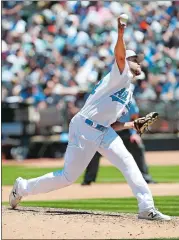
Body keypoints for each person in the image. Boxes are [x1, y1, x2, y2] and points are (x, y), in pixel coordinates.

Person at [9, 16, 171, 221]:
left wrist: (131, 124)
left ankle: (146, 208)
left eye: (137, 59)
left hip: (104, 130)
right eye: (134, 59)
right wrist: (120, 33)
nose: (137, 62)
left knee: (128, 163)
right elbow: (120, 56)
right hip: (84, 126)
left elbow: (113, 123)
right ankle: (22, 187)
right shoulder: (119, 74)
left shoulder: (128, 91)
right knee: (68, 177)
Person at [82, 98, 156, 185]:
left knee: (137, 146)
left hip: (124, 131)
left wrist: (134, 134)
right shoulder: (105, 98)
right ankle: (88, 179)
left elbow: (134, 116)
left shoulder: (128, 98)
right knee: (94, 150)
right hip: (107, 131)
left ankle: (145, 177)